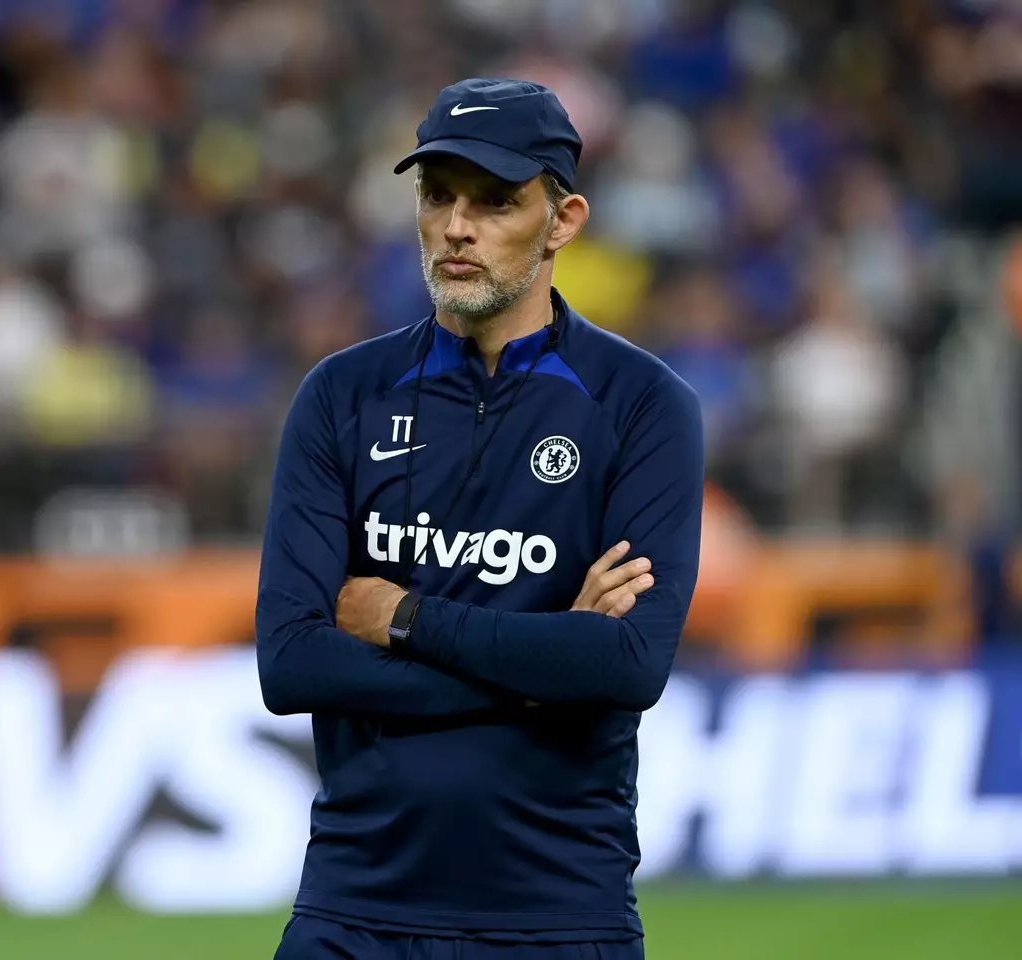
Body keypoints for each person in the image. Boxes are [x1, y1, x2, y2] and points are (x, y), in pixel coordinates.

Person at [254, 78, 705, 959]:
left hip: (561, 913)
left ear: (562, 219)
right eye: (437, 196)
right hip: (353, 912)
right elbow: (292, 661)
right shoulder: (341, 396)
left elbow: (629, 662)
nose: (458, 226)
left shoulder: (643, 405)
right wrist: (542, 668)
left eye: (496, 202)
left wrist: (405, 618)